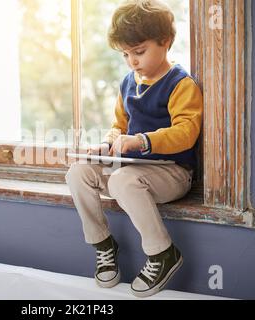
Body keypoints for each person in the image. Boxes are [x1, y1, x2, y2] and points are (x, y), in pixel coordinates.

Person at [65, 0, 203, 298]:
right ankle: (103, 244)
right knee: (78, 172)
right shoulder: (128, 83)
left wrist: (142, 140)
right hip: (132, 170)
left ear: (165, 42)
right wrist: (106, 144)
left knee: (121, 180)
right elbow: (119, 126)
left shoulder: (181, 84)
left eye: (139, 52)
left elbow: (186, 133)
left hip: (172, 172)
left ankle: (163, 252)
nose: (132, 61)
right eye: (126, 54)